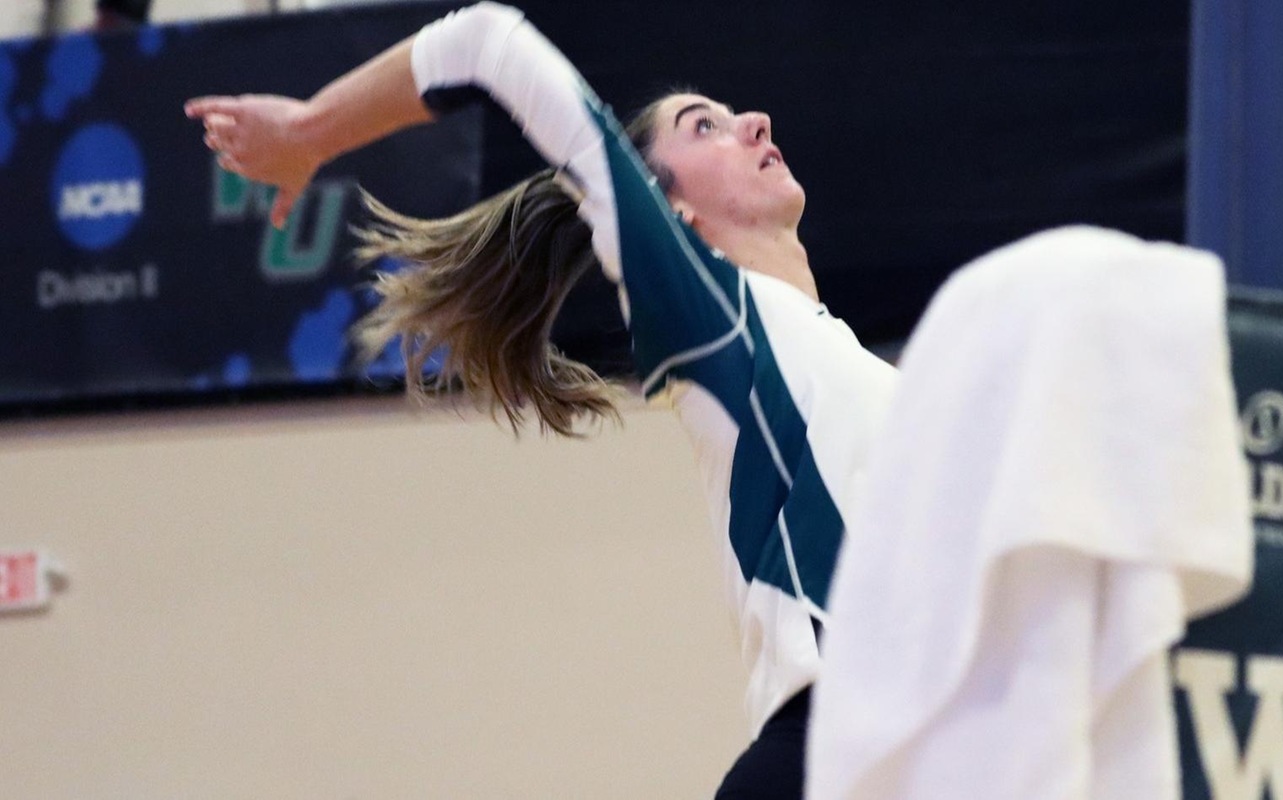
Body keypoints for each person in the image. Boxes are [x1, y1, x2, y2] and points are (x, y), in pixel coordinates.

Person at [184, 4, 896, 798]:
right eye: (706, 127)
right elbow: (486, 39)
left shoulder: (867, 373)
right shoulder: (716, 319)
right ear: (673, 218)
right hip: (831, 755)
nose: (756, 124)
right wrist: (311, 131)